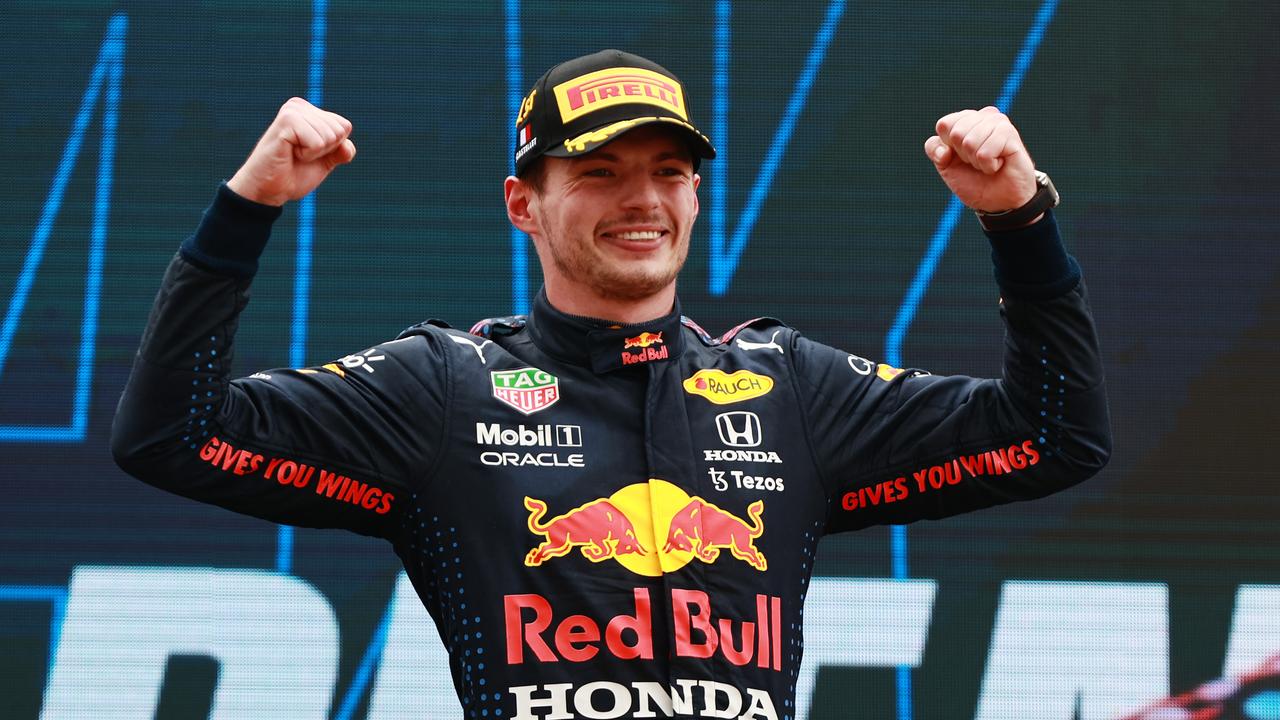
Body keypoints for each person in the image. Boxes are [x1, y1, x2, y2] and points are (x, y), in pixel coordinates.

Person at [112, 49, 1110, 720]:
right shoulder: (443, 388)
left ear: (694, 193)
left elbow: (1053, 435)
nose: (642, 199)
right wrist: (248, 207)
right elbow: (175, 438)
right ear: (523, 204)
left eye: (668, 170)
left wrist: (1017, 220)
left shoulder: (787, 388)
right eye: (597, 171)